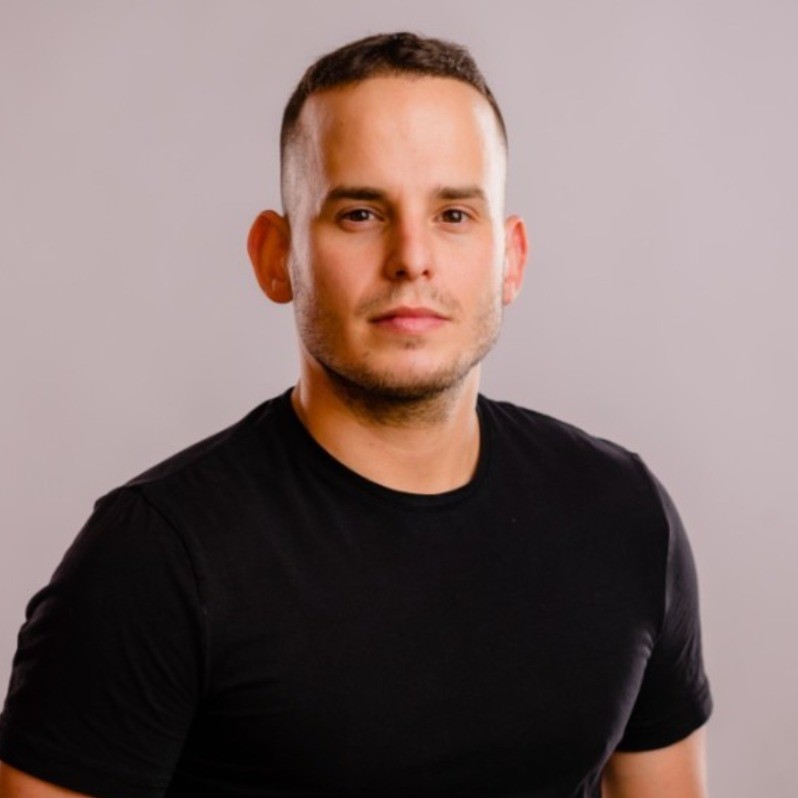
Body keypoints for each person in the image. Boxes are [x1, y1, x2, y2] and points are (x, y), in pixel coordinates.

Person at [0, 32, 712, 798]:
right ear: (276, 257)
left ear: (510, 259)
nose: (412, 257)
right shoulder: (155, 559)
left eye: (454, 214)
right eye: (362, 213)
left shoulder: (624, 514)